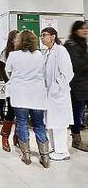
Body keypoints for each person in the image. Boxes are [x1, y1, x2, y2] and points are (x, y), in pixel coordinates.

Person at [6, 30, 49, 168]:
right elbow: (44, 73)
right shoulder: (39, 55)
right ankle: (45, 157)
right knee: (39, 125)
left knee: (22, 123)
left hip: (20, 94)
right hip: (37, 94)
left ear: (19, 41)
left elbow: (8, 70)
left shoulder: (13, 55)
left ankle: (26, 155)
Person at [41, 27, 74, 161]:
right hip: (49, 95)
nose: (42, 38)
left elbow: (67, 73)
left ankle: (63, 151)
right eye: (41, 35)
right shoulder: (48, 52)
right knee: (51, 122)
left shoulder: (61, 51)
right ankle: (55, 148)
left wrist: (55, 87)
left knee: (59, 123)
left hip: (58, 95)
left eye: (44, 35)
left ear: (53, 36)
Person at [64, 21, 88, 151]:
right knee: (77, 113)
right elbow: (75, 65)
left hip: (84, 85)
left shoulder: (83, 44)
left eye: (86, 28)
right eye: (82, 28)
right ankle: (76, 140)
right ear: (75, 31)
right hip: (76, 86)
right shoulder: (71, 45)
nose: (85, 30)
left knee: (79, 113)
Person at [0, 30, 20, 152]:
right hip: (12, 86)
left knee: (21, 112)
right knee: (11, 112)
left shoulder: (23, 51)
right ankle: (5, 135)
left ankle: (17, 135)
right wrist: (8, 82)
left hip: (22, 86)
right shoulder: (6, 52)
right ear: (12, 39)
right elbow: (1, 69)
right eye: (17, 38)